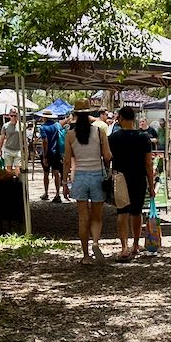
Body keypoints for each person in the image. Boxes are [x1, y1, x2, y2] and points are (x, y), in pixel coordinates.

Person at [63, 100, 112, 263]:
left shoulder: (70, 134)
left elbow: (67, 162)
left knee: (83, 218)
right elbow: (107, 156)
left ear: (75, 114)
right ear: (89, 114)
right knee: (97, 216)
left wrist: (64, 182)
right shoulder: (99, 132)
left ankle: (85, 256)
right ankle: (96, 242)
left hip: (80, 177)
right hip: (98, 175)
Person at [109, 107, 157, 261]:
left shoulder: (113, 138)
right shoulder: (144, 137)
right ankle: (136, 244)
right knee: (136, 212)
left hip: (120, 178)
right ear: (134, 119)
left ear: (120, 118)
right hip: (138, 178)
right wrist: (151, 184)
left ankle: (124, 247)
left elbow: (107, 159)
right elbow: (148, 163)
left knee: (122, 212)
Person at [38, 111, 68, 201]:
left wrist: (44, 156)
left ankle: (46, 193)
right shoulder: (57, 125)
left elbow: (45, 141)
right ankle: (57, 194)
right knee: (56, 173)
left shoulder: (43, 127)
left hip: (47, 153)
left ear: (44, 118)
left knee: (46, 173)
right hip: (56, 153)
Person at [0, 108, 24, 174]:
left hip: (18, 150)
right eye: (12, 115)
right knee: (8, 170)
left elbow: (24, 139)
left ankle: (17, 181)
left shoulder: (22, 125)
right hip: (8, 149)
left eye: (15, 115)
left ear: (17, 116)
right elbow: (2, 138)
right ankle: (10, 182)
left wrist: (26, 150)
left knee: (17, 169)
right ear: (9, 116)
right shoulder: (5, 126)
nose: (13, 117)